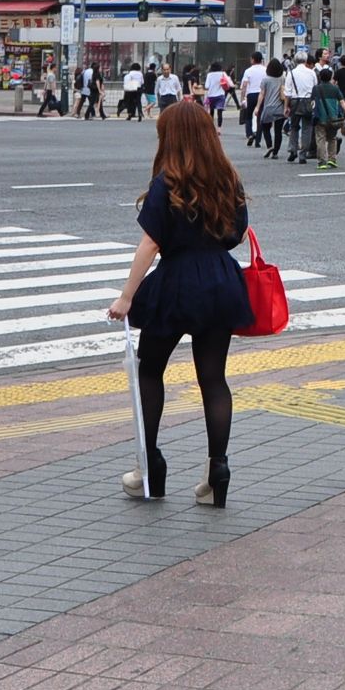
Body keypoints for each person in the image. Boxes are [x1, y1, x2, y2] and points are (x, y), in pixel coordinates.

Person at [107, 100, 252, 506]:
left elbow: (150, 243)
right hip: (221, 281)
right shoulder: (228, 178)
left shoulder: (166, 183)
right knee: (213, 378)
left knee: (150, 369)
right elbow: (238, 234)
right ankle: (216, 471)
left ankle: (149, 466)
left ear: (170, 139)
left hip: (175, 283)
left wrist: (126, 296)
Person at [280, 54, 317, 163]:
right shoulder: (311, 73)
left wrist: (286, 107)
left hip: (295, 102)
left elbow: (288, 92)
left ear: (295, 61)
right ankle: (303, 153)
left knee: (294, 127)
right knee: (307, 128)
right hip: (308, 101)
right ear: (306, 60)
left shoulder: (291, 73)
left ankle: (293, 149)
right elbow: (315, 88)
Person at [311, 65, 345, 169]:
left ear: (320, 77)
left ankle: (322, 162)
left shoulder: (316, 88)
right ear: (331, 77)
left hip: (320, 118)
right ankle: (332, 159)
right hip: (333, 119)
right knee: (332, 138)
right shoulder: (335, 89)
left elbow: (313, 103)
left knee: (320, 139)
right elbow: (342, 102)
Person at [239, 52, 268, 146]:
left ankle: (249, 134)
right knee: (260, 117)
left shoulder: (248, 71)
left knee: (248, 115)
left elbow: (244, 85)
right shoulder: (265, 70)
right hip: (262, 94)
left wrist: (242, 98)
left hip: (251, 94)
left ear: (253, 59)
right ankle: (258, 140)